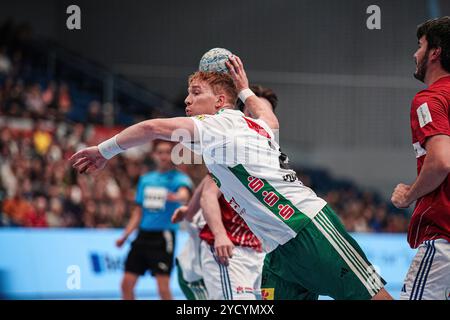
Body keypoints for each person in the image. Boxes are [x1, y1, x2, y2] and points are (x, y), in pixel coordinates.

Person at [70, 55, 391, 300]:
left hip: (308, 227)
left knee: (373, 296)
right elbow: (268, 116)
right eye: (188, 94)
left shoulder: (219, 126)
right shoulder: (257, 126)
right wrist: (245, 88)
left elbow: (151, 127)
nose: (187, 101)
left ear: (220, 102)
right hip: (278, 251)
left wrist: (104, 151)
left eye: (195, 93)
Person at [173, 84, 279, 300]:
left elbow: (207, 183)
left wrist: (189, 210)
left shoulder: (266, 153)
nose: (258, 118)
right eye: (252, 113)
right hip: (222, 250)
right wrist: (219, 234)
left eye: (262, 113)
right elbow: (209, 192)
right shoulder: (233, 146)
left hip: (254, 251)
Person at [391, 16, 450, 300]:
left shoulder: (430, 99)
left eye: (420, 45)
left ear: (435, 52)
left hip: (444, 236)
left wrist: (408, 195)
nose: (415, 54)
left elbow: (440, 162)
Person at [115, 140, 192, 300]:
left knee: (163, 289)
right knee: (126, 285)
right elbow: (138, 212)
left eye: (167, 152)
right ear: (154, 155)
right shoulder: (146, 180)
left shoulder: (178, 178)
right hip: (142, 237)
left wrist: (175, 197)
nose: (163, 156)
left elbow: (184, 194)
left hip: (163, 238)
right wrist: (125, 236)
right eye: (160, 152)